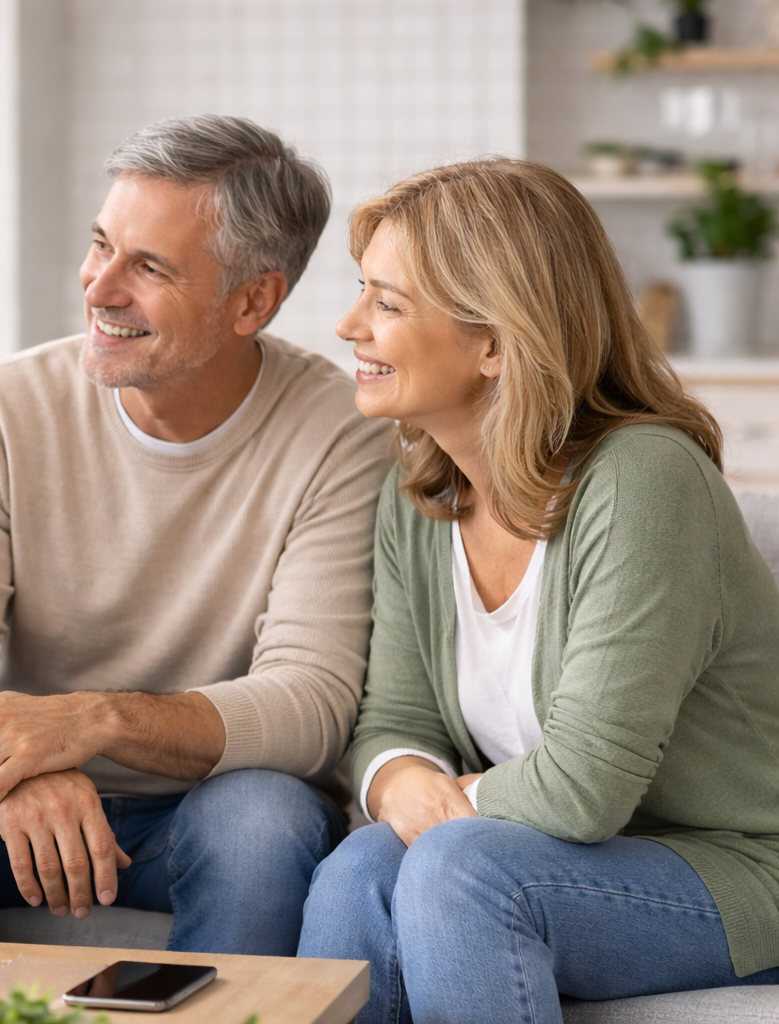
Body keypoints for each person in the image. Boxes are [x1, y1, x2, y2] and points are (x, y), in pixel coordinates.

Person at [0, 115, 394, 955]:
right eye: (101, 245)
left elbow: (310, 703)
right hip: (14, 806)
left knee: (262, 821)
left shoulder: (341, 433)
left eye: (149, 267)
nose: (99, 287)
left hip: (206, 807)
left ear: (253, 300)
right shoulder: (4, 406)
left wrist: (95, 722)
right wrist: (17, 764)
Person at [296, 158, 779, 1023]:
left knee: (461, 870)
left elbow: (583, 790)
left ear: (495, 341)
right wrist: (399, 780)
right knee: (356, 872)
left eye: (388, 303)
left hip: (736, 872)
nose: (347, 325)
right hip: (558, 857)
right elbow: (393, 722)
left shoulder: (643, 481)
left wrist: (454, 802)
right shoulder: (418, 497)